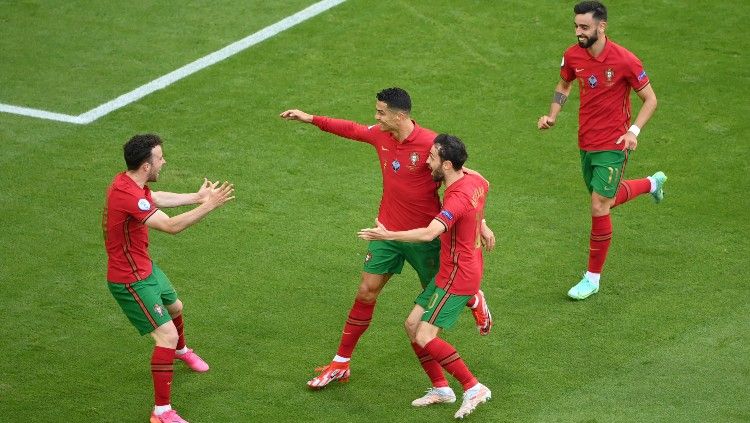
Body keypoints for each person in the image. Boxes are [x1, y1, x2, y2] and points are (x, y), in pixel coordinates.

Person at [280, 88, 495, 389]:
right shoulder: (381, 134)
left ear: (399, 115)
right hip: (386, 233)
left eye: (381, 112)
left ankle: (472, 300)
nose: (375, 117)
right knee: (366, 292)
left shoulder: (432, 146)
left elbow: (465, 180)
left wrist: (480, 223)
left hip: (426, 238)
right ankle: (341, 363)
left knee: (433, 305)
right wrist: (310, 118)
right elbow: (351, 129)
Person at [537, 1, 667, 300]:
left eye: (584, 27)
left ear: (601, 27)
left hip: (614, 143)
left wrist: (633, 132)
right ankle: (652, 183)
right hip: (586, 142)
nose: (578, 32)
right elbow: (564, 84)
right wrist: (553, 115)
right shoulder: (572, 55)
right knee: (604, 199)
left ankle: (592, 278)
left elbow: (650, 99)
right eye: (576, 26)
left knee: (598, 205)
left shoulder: (625, 60)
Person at [359, 134, 492, 419]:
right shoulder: (472, 180)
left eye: (431, 157)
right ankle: (441, 388)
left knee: (425, 334)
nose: (425, 161)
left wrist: (388, 235)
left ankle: (473, 387)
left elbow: (430, 233)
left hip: (459, 275)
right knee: (411, 325)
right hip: (452, 269)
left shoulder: (455, 198)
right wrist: (482, 225)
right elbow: (483, 187)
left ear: (446, 165)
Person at [103, 134, 234, 423]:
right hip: (130, 279)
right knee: (165, 336)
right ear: (146, 166)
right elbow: (171, 226)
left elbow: (155, 199)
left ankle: (181, 351)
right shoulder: (127, 195)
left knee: (176, 307)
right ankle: (161, 412)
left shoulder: (130, 182)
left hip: (145, 268)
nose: (164, 161)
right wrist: (209, 205)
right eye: (160, 157)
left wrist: (196, 197)